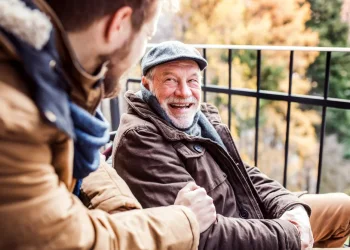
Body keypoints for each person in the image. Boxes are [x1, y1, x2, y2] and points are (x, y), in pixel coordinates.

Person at [0, 1, 216, 249]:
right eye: (147, 35)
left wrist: (121, 209)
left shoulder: (43, 78)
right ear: (119, 24)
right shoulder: (12, 117)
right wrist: (183, 221)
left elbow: (84, 161)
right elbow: (69, 239)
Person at [112, 41, 350, 250]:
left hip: (253, 214)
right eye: (170, 80)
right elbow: (203, 235)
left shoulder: (200, 119)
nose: (184, 92)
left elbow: (243, 172)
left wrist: (291, 207)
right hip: (237, 234)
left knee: (343, 207)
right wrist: (288, 234)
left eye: (192, 81)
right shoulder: (140, 138)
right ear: (147, 84)